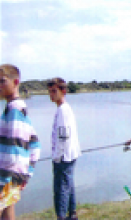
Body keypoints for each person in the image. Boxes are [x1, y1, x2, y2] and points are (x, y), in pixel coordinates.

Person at [0, 64, 41, 220]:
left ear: (15, 82)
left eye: (2, 81)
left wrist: (18, 175)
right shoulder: (15, 108)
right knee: (8, 215)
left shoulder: (15, 109)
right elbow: (35, 144)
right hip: (12, 176)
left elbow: (14, 149)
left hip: (7, 176)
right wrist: (26, 174)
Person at [48, 78, 81, 220]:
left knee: (61, 189)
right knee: (69, 185)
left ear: (63, 91)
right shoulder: (65, 108)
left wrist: (58, 156)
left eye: (54, 91)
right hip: (70, 154)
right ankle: (72, 214)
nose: (51, 95)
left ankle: (61, 217)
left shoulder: (62, 110)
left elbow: (63, 136)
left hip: (64, 156)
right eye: (49, 92)